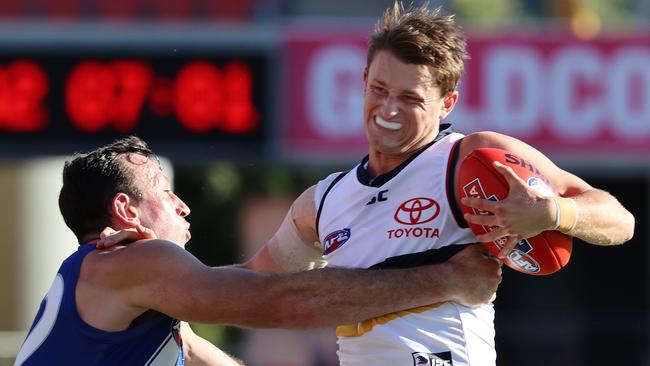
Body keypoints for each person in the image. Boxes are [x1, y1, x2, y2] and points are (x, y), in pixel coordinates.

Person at [238, 3, 636, 366]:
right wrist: (177, 296)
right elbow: (250, 286)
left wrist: (553, 213)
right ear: (363, 80)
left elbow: (620, 221)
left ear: (447, 103)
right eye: (379, 89)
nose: (388, 109)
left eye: (410, 97)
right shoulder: (324, 201)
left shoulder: (470, 159)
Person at [14, 136, 502, 366]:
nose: (183, 206)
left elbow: (246, 301)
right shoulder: (132, 260)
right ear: (126, 211)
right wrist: (447, 280)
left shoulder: (134, 298)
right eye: (164, 191)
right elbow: (282, 304)